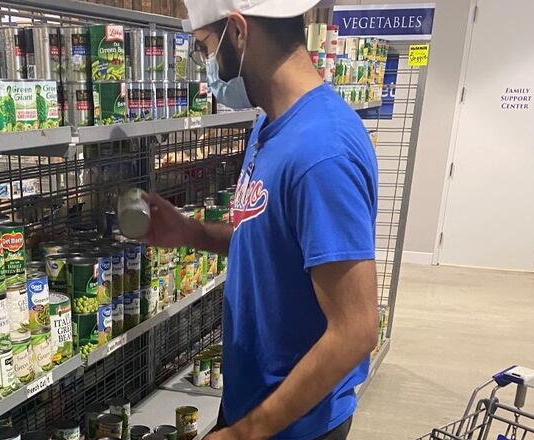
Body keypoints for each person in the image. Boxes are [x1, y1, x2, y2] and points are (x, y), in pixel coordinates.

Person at [144, 1, 379, 438]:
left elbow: (356, 328)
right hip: (253, 406)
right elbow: (272, 241)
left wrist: (245, 432)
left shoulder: (322, 151)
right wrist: (192, 232)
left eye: (204, 48)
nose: (206, 66)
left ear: (238, 32)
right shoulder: (271, 124)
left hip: (294, 426)